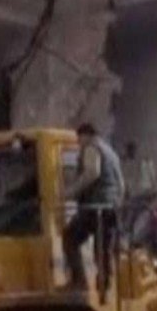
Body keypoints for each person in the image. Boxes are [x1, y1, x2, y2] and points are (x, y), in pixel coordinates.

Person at [63, 123, 126, 290]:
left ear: (85, 135)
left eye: (79, 139)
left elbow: (92, 172)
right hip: (111, 207)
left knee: (70, 237)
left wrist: (70, 192)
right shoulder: (111, 152)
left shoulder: (92, 147)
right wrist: (118, 202)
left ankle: (79, 281)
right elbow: (121, 183)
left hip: (95, 206)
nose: (79, 144)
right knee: (103, 246)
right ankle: (105, 284)